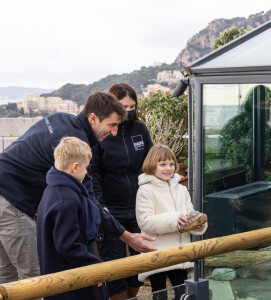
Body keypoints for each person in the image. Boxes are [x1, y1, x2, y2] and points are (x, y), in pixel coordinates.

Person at [0, 91, 156, 284]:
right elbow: (89, 198)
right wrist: (126, 236)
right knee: (34, 279)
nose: (114, 132)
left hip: (5, 189)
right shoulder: (76, 144)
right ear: (93, 118)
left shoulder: (60, 119)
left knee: (6, 276)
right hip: (10, 202)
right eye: (112, 125)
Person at [91, 83, 153, 300]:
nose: (129, 111)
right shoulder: (103, 133)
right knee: (115, 268)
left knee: (139, 267)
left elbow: (151, 164)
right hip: (111, 209)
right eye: (124, 107)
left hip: (139, 206)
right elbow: (93, 173)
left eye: (133, 106)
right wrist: (101, 205)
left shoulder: (140, 129)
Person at [37, 137, 109, 300]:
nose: (86, 173)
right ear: (75, 167)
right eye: (86, 169)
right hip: (71, 284)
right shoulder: (66, 201)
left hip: (61, 279)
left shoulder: (52, 189)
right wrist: (94, 267)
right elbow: (68, 245)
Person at [136, 144, 208, 300]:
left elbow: (189, 214)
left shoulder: (181, 189)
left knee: (182, 294)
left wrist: (197, 224)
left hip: (179, 253)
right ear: (151, 165)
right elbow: (145, 221)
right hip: (156, 253)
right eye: (162, 164)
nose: (168, 168)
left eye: (171, 164)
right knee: (159, 295)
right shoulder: (145, 190)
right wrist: (174, 219)